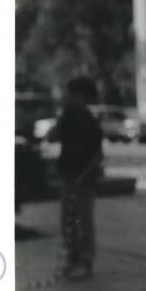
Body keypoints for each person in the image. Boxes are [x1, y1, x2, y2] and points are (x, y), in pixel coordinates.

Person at [47, 76, 103, 278]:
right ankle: (73, 258)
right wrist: (60, 120)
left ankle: (85, 260)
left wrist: (84, 175)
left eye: (74, 95)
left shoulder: (89, 121)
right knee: (68, 222)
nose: (70, 98)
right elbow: (51, 137)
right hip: (68, 175)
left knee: (83, 220)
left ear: (84, 97)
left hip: (83, 179)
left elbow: (97, 154)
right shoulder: (67, 118)